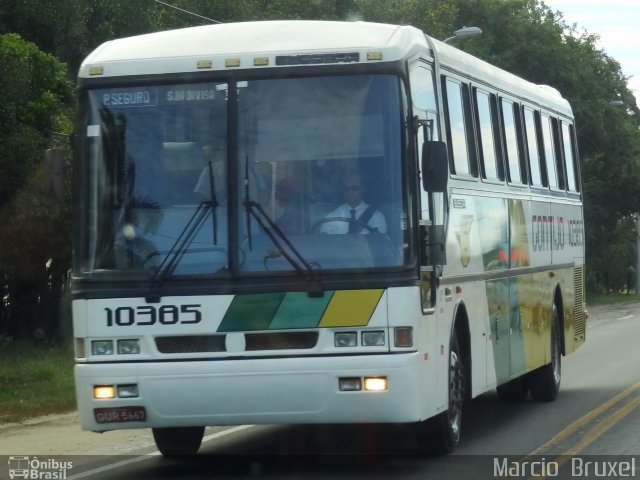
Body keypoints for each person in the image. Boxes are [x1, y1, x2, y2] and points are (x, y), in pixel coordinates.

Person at [320, 172, 386, 234]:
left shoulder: (376, 217)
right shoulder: (331, 218)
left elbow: (380, 243)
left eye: (354, 188)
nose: (350, 192)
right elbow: (324, 243)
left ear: (363, 189)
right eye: (346, 189)